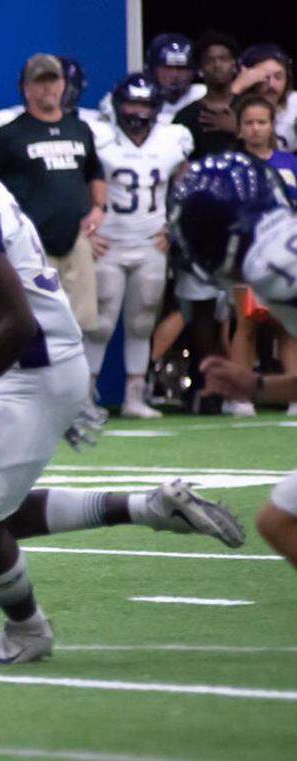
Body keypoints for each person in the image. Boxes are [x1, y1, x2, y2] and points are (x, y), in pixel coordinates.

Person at [0, 92, 244, 665]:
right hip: (36, 364)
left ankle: (27, 631)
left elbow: (15, 322)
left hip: (27, 365)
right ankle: (150, 509)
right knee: (0, 514)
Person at [171, 152, 297, 567]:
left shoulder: (272, 265)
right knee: (277, 520)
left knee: (279, 522)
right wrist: (258, 386)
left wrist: (257, 385)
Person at [84, 73, 193, 418]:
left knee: (143, 320)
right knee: (100, 323)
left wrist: (175, 228)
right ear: (117, 105)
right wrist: (85, 228)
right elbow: (79, 181)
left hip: (150, 243)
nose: (137, 111)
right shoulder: (99, 136)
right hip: (110, 243)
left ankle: (135, 396)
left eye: (144, 104)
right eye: (131, 103)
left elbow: (187, 186)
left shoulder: (173, 138)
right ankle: (83, 399)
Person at [0, 54, 106, 333]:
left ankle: (81, 379)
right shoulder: (10, 134)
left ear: (64, 84)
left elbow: (95, 171)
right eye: (40, 81)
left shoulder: (80, 129)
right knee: (34, 326)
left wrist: (98, 208)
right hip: (30, 244)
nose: (48, 88)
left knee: (80, 326)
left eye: (53, 80)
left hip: (76, 239)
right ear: (26, 88)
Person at [221, 97, 297, 417]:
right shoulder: (232, 166)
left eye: (262, 122)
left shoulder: (289, 162)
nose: (255, 129)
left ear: (272, 126)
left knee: (289, 325)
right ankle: (240, 396)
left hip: (288, 252)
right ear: (239, 128)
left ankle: (293, 394)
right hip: (246, 253)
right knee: (247, 320)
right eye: (249, 123)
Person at [99, 34, 205, 123]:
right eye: (168, 68)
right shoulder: (135, 93)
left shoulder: (203, 94)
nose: (175, 74)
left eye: (182, 69)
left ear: (194, 71)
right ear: (152, 68)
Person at [0, 56, 102, 135]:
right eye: (39, 82)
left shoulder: (96, 126)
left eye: (54, 82)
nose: (48, 89)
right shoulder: (2, 123)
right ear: (25, 86)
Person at [172, 31, 240, 160]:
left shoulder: (250, 107)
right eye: (209, 60)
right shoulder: (186, 116)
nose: (217, 65)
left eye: (223, 59)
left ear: (234, 66)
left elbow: (272, 152)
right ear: (200, 70)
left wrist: (238, 129)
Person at [230, 43, 297, 152]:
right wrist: (238, 86)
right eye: (264, 77)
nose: (271, 85)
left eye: (278, 77)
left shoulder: (294, 103)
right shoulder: (235, 105)